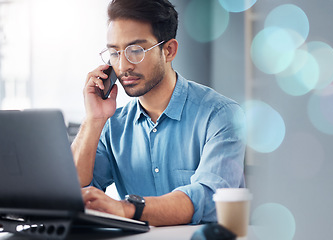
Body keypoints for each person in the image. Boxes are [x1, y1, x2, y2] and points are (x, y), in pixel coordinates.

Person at [71, 0, 246, 226]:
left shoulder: (221, 115)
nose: (123, 65)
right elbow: (74, 193)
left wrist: (126, 209)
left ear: (169, 50)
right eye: (114, 52)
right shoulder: (112, 126)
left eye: (136, 50)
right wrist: (93, 119)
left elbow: (210, 197)